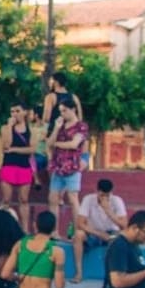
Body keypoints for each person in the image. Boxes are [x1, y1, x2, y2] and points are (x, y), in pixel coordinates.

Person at [70, 178, 127, 283]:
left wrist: (108, 211)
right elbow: (80, 223)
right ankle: (79, 273)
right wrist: (99, 234)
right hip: (94, 232)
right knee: (78, 234)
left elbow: (124, 225)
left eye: (107, 195)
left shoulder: (117, 201)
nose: (105, 198)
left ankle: (115, 275)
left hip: (111, 233)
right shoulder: (88, 199)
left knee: (120, 238)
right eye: (102, 195)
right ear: (97, 191)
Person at [47, 98, 88, 241]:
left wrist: (57, 144)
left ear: (73, 109)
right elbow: (49, 143)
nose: (62, 114)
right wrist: (56, 128)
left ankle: (77, 231)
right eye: (61, 111)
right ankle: (54, 231)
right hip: (58, 166)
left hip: (72, 166)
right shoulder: (60, 125)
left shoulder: (81, 126)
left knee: (73, 199)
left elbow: (74, 144)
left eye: (64, 110)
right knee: (53, 198)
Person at [0, 102, 35, 232]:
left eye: (17, 111)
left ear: (24, 112)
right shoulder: (5, 128)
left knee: (24, 199)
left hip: (24, 166)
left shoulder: (31, 130)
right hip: (9, 165)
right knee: (6, 199)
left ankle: (25, 229)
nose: (14, 114)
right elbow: (6, 146)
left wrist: (14, 150)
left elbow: (31, 149)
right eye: (12, 111)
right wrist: (10, 126)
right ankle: (1, 227)